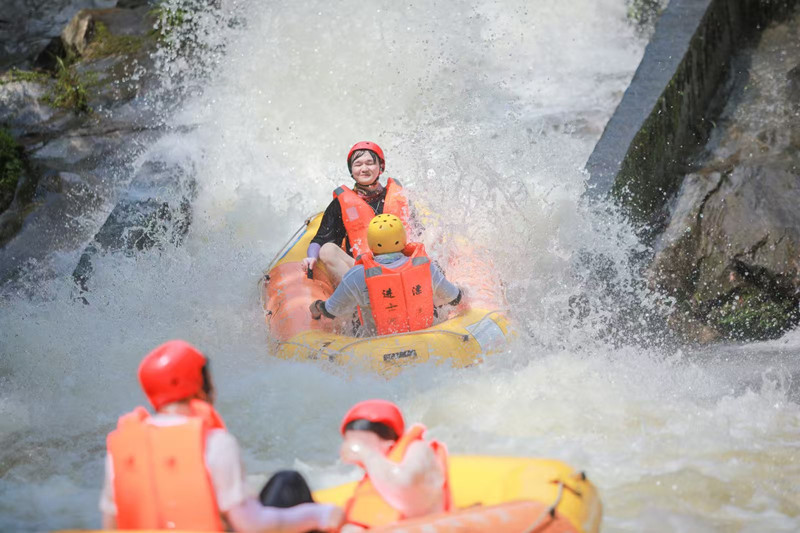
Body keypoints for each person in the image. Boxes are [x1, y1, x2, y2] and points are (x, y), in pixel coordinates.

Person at [100, 339, 343, 532]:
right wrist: (320, 514)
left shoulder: (121, 447)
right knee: (288, 482)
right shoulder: (214, 443)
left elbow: (111, 525)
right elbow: (251, 525)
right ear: (200, 386)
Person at [309, 214, 462, 336]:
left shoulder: (356, 275)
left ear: (371, 243)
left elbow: (329, 311)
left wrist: (316, 307)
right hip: (424, 336)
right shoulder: (425, 266)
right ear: (403, 240)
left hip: (376, 342)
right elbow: (455, 298)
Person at [302, 141, 411, 286]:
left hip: (403, 267)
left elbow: (418, 233)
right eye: (358, 164)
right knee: (327, 250)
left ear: (381, 167)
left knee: (432, 233)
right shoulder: (340, 204)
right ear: (351, 170)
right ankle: (359, 300)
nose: (364, 169)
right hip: (364, 274)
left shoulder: (398, 196)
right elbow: (320, 240)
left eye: (370, 163)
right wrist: (311, 257)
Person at [337, 399, 452, 531]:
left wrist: (365, 453)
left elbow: (405, 488)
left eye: (358, 444)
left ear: (388, 442)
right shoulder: (378, 471)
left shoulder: (418, 450)